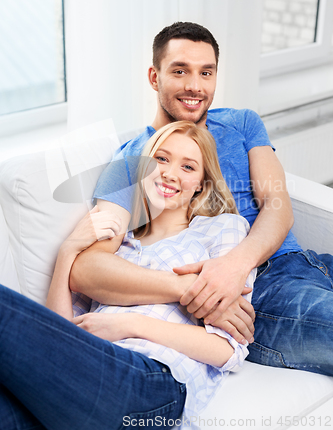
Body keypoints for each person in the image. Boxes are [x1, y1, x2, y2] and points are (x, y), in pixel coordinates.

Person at [70, 21, 333, 377]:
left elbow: (277, 203)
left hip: (302, 262)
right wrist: (194, 288)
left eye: (206, 73)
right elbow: (88, 269)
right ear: (154, 76)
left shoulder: (242, 123)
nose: (195, 86)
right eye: (180, 71)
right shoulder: (131, 160)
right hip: (259, 293)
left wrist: (234, 264)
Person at [0, 122, 254, 429]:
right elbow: (64, 332)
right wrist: (67, 252)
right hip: (86, 372)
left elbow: (228, 349)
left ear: (201, 183)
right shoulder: (115, 244)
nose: (170, 173)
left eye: (188, 167)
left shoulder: (221, 229)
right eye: (161, 159)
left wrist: (128, 324)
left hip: (153, 382)